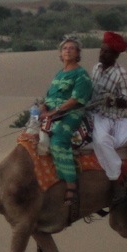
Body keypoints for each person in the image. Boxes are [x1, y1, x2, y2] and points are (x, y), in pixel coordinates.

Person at [38, 37, 93, 205]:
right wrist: (43, 108)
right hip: (51, 113)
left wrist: (54, 112)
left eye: (71, 48)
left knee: (58, 141)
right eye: (65, 49)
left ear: (78, 54)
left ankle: (71, 184)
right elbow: (49, 96)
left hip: (71, 114)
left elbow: (76, 100)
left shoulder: (81, 74)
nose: (67, 50)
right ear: (60, 54)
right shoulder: (59, 73)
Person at [89, 31, 127, 203]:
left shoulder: (120, 74)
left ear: (115, 54)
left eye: (106, 51)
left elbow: (125, 101)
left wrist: (112, 100)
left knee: (101, 140)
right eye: (101, 50)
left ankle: (116, 178)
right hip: (91, 112)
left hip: (110, 117)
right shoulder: (96, 68)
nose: (101, 53)